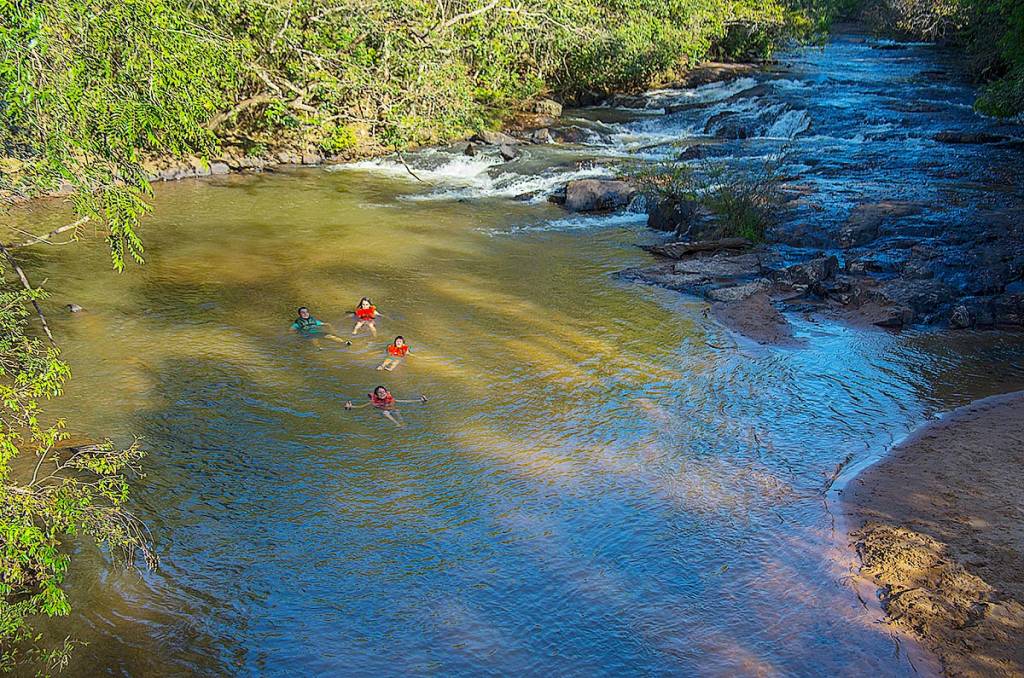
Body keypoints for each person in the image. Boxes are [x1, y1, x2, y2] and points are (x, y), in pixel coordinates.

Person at [345, 386, 427, 427]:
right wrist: (351, 407)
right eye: (380, 393)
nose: (382, 394)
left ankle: (402, 423)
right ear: (376, 395)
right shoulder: (374, 401)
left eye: (383, 392)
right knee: (385, 412)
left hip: (390, 407)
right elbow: (362, 406)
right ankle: (397, 424)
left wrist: (419, 400)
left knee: (397, 410)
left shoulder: (389, 398)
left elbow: (403, 401)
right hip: (382, 411)